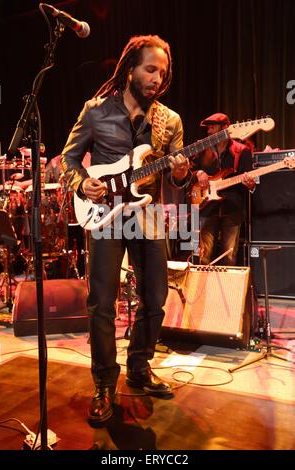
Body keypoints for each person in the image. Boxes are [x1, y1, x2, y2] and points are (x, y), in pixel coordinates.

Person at [61, 34, 190, 424]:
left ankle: (139, 365)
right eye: (150, 69)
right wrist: (82, 183)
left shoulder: (170, 120)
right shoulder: (96, 111)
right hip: (104, 212)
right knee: (101, 302)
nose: (156, 78)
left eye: (162, 73)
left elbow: (177, 177)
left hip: (146, 212)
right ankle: (103, 383)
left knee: (155, 295)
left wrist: (181, 174)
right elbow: (69, 160)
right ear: (131, 68)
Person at [192, 112, 256, 266]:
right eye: (208, 129)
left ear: (226, 128)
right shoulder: (203, 149)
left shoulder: (243, 150)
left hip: (232, 209)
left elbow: (250, 179)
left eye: (213, 128)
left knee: (229, 257)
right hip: (206, 207)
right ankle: (203, 289)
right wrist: (199, 173)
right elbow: (189, 172)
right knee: (203, 255)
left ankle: (228, 290)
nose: (209, 132)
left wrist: (250, 184)